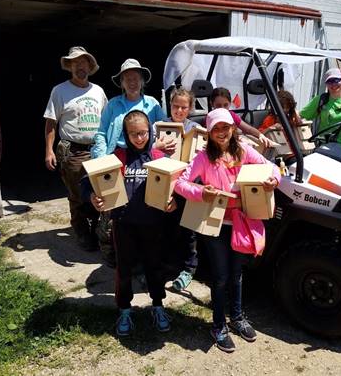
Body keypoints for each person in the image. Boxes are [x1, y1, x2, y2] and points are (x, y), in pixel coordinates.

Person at [174, 108, 281, 353]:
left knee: (237, 274)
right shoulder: (203, 158)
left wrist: (273, 180)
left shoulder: (243, 150)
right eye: (216, 129)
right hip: (216, 224)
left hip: (242, 222)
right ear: (210, 133)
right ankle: (219, 325)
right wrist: (201, 192)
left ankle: (238, 316)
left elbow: (271, 167)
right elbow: (180, 183)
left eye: (225, 127)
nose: (222, 133)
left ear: (232, 129)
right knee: (220, 277)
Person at [89, 110, 175, 336]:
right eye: (133, 134)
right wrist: (94, 197)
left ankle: (158, 305)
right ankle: (125, 310)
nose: (139, 138)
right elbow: (89, 181)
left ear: (150, 131)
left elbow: (177, 184)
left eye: (143, 133)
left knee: (155, 266)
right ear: (125, 134)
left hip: (153, 224)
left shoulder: (158, 156)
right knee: (123, 269)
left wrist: (174, 201)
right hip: (123, 223)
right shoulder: (117, 156)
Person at [43, 46, 107, 251]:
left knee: (99, 192)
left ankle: (97, 228)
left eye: (84, 63)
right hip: (73, 151)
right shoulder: (60, 91)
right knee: (78, 194)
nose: (81, 67)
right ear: (70, 66)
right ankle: (81, 231)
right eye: (76, 63)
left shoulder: (98, 91)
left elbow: (106, 121)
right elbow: (51, 123)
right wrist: (49, 150)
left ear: (90, 66)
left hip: (98, 149)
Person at [156, 88, 202, 291]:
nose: (179, 110)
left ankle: (189, 268)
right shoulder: (159, 127)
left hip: (188, 187)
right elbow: (149, 154)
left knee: (188, 230)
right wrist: (156, 147)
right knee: (164, 228)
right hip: (166, 186)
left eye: (184, 107)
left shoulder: (196, 129)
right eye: (176, 106)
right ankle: (166, 266)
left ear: (190, 108)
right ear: (170, 106)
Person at [91, 58, 166, 158]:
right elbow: (101, 133)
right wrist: (102, 158)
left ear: (142, 81)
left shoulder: (153, 103)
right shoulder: (112, 104)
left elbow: (164, 128)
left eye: (135, 78)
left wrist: (155, 147)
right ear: (122, 83)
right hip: (117, 155)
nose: (132, 82)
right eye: (128, 79)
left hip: (146, 155)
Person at [210, 87, 275, 149]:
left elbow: (248, 129)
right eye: (218, 105)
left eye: (225, 105)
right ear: (212, 104)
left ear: (230, 104)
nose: (222, 108)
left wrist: (260, 135)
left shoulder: (231, 115)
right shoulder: (210, 118)